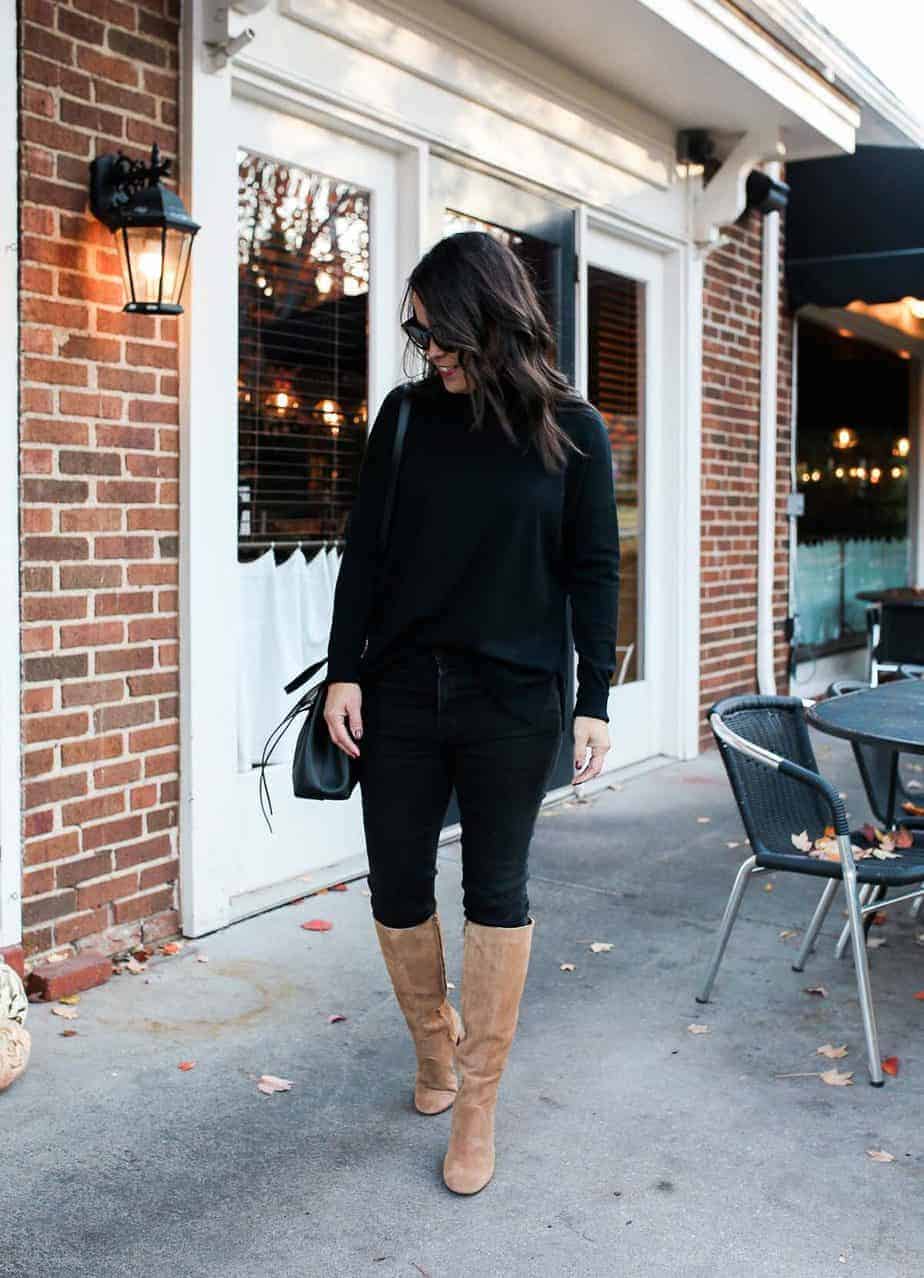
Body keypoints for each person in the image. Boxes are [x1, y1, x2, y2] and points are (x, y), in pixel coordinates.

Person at [323, 230, 620, 1195]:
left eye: (435, 328)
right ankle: (433, 1049)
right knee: (396, 886)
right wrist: (344, 672)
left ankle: (478, 1102)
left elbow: (594, 571)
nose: (425, 348)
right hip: (402, 691)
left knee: (496, 894)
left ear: (484, 317)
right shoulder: (405, 419)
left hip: (515, 701)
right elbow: (363, 554)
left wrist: (595, 700)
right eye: (416, 333)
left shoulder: (573, 430)